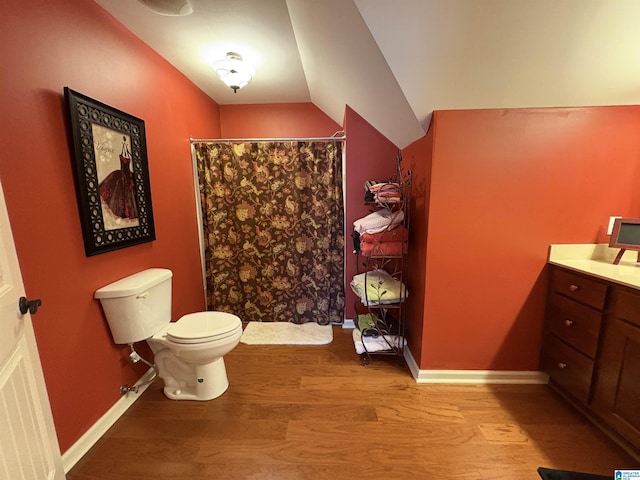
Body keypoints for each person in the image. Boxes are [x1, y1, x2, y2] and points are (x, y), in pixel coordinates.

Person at [99, 136, 138, 219]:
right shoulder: (123, 152)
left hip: (128, 174)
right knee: (122, 193)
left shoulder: (127, 152)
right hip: (122, 173)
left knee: (130, 194)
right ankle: (124, 212)